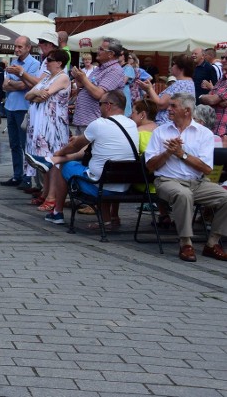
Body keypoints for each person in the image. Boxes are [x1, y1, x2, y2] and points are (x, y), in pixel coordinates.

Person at [32, 89, 138, 226]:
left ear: (109, 105)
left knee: (65, 166)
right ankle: (107, 221)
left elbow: (75, 146)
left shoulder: (100, 124)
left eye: (100, 104)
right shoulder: (132, 124)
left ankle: (57, 212)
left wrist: (59, 153)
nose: (99, 107)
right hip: (123, 186)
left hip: (99, 187)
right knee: (101, 168)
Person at [145, 92, 227, 262]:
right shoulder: (161, 132)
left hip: (197, 182)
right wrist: (168, 152)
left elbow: (206, 168)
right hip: (167, 181)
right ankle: (186, 243)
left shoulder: (204, 133)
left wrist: (181, 154)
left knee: (225, 197)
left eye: (173, 106)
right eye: (170, 105)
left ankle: (212, 243)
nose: (169, 109)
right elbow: (150, 167)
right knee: (183, 195)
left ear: (187, 111)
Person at [23, 49, 71, 211]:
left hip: (54, 125)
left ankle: (52, 196)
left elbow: (45, 95)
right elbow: (29, 95)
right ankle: (45, 192)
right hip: (41, 123)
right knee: (45, 160)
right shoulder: (48, 77)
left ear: (59, 63)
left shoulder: (63, 77)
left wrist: (36, 94)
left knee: (53, 160)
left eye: (49, 60)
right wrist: (36, 92)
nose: (46, 62)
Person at [0, 36, 39, 188]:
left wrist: (14, 83)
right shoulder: (14, 63)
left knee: (25, 144)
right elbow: (5, 85)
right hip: (10, 106)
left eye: (20, 47)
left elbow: (27, 85)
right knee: (14, 144)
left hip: (24, 107)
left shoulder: (34, 64)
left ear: (28, 48)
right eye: (15, 46)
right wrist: (15, 83)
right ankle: (17, 175)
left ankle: (27, 177)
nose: (16, 49)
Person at [69, 37, 125, 135]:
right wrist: (78, 77)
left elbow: (99, 94)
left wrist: (83, 79)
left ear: (110, 54)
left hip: (94, 122)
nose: (97, 51)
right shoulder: (100, 68)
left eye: (101, 49)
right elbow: (84, 86)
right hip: (85, 120)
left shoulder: (115, 70)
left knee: (87, 150)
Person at [137, 54, 195, 125]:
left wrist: (149, 89)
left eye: (173, 64)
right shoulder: (190, 82)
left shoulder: (179, 84)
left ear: (181, 68)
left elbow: (161, 104)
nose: (171, 67)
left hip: (166, 124)